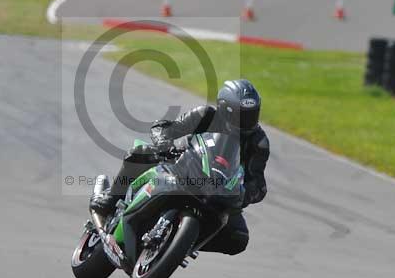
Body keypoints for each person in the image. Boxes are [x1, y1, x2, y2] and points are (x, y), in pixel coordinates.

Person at [90, 79, 270, 256]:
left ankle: (183, 243)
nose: (247, 121)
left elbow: (259, 184)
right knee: (140, 152)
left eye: (252, 114)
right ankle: (110, 198)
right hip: (182, 166)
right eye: (242, 115)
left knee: (238, 238)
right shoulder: (205, 116)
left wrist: (244, 194)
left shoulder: (258, 142)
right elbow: (163, 128)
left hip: (219, 191)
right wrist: (164, 145)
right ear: (225, 109)